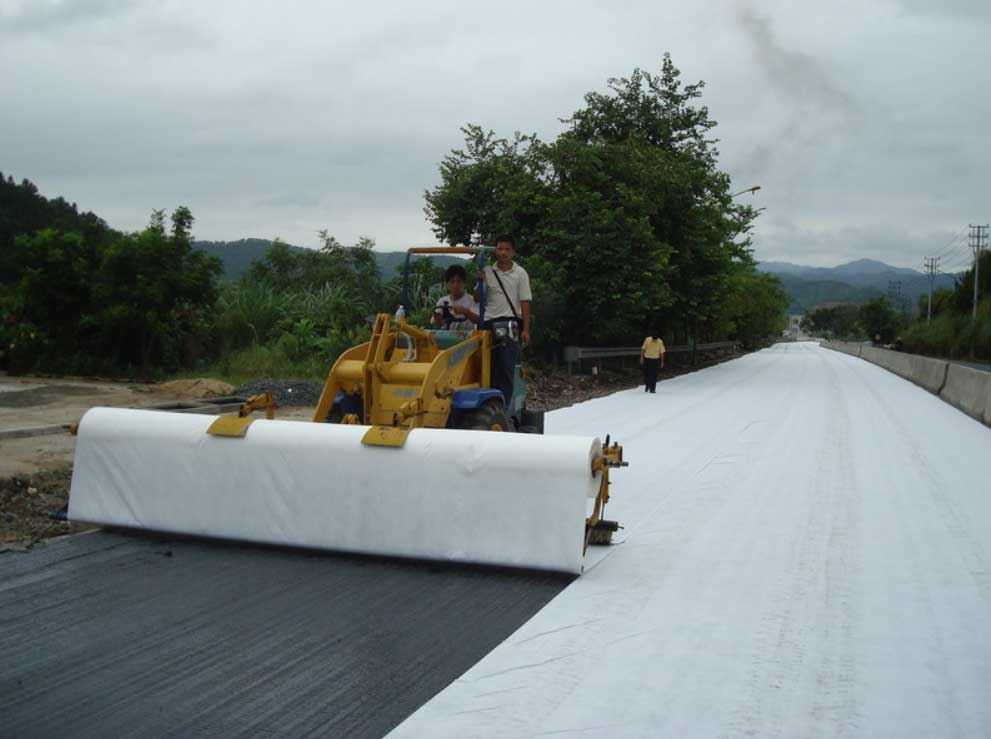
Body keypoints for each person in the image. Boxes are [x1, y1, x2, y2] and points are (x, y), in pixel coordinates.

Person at [476, 235, 532, 412]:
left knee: (506, 367)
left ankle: (503, 409)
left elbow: (525, 302)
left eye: (507, 249)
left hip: (509, 323)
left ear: (513, 252)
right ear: (495, 250)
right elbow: (478, 298)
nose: (503, 253)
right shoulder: (487, 271)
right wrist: (479, 281)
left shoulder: (520, 273)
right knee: (486, 366)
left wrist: (525, 329)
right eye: (500, 249)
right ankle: (487, 404)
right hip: (488, 322)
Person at [431, 264, 478, 331]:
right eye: (452, 282)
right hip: (448, 338)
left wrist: (466, 312)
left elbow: (479, 321)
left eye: (459, 281)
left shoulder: (472, 300)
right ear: (447, 284)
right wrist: (437, 320)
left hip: (468, 338)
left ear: (464, 283)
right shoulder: (442, 301)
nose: (455, 285)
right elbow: (436, 326)